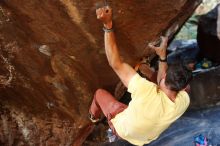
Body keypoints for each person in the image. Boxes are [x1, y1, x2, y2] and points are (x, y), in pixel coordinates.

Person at [89, 6, 192, 145]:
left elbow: (115, 63)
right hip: (144, 138)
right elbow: (164, 82)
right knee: (154, 81)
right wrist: (162, 57)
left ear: (165, 76)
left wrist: (107, 25)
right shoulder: (183, 102)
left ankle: (93, 119)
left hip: (122, 129)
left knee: (99, 94)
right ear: (183, 87)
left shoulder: (146, 90)